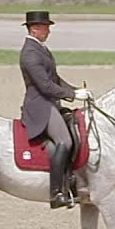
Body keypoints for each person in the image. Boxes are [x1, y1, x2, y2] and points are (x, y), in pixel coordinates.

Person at [18, 11, 91, 209]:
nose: (48, 31)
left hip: (51, 103)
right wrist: (73, 96)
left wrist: (75, 90)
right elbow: (45, 86)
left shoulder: (41, 49)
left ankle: (73, 181)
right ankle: (56, 192)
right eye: (45, 27)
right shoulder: (30, 54)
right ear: (34, 29)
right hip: (40, 106)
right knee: (64, 141)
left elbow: (55, 79)